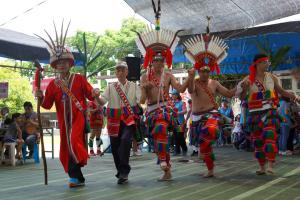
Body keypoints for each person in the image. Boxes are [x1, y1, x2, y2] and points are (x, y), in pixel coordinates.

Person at [35, 22, 101, 187]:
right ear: (55, 66)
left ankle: (76, 176)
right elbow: (47, 105)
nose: (61, 65)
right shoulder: (52, 84)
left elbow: (90, 93)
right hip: (63, 121)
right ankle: (77, 177)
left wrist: (95, 93)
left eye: (64, 62)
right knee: (66, 147)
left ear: (70, 63)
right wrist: (40, 96)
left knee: (73, 141)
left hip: (78, 117)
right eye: (58, 63)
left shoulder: (78, 79)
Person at [184, 29, 236, 177]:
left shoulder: (214, 83)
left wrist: (241, 87)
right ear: (198, 71)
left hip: (211, 115)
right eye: (202, 71)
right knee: (205, 147)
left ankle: (208, 164)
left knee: (207, 135)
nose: (205, 73)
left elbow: (228, 93)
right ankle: (210, 170)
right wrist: (191, 76)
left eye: (207, 71)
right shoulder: (193, 82)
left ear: (210, 71)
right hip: (196, 118)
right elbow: (190, 89)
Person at [237, 53, 300, 175]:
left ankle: (270, 164)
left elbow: (281, 91)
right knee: (258, 142)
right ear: (258, 63)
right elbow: (242, 97)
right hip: (254, 114)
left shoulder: (272, 77)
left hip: (270, 111)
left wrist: (295, 97)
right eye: (265, 62)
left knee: (270, 135)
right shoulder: (247, 79)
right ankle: (262, 167)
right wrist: (244, 89)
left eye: (268, 62)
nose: (267, 64)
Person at [98, 61, 141, 185]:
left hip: (128, 120)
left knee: (125, 141)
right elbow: (102, 102)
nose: (120, 72)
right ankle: (121, 172)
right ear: (115, 73)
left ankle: (124, 171)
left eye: (122, 70)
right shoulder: (111, 87)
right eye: (118, 70)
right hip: (114, 120)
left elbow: (140, 101)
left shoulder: (134, 86)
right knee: (115, 147)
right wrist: (96, 96)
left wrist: (144, 92)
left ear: (127, 72)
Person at [171, 89, 188, 159]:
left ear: (177, 95)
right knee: (175, 136)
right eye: (172, 95)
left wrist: (177, 113)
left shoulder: (182, 103)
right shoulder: (172, 103)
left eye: (174, 94)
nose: (172, 96)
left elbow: (185, 111)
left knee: (180, 136)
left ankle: (184, 149)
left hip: (180, 122)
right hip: (173, 122)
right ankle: (177, 150)